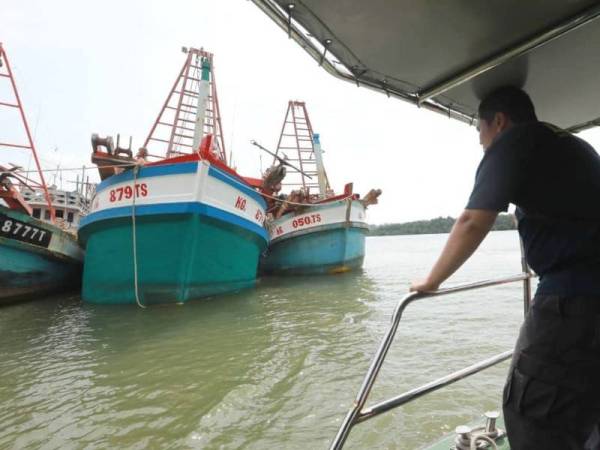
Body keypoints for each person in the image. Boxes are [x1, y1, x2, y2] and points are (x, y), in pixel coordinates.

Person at [410, 86, 600, 449]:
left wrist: (431, 280)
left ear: (499, 121)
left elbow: (472, 221)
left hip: (574, 298)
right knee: (585, 404)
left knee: (531, 411)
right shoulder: (569, 145)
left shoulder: (514, 141)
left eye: (479, 133)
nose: (481, 144)